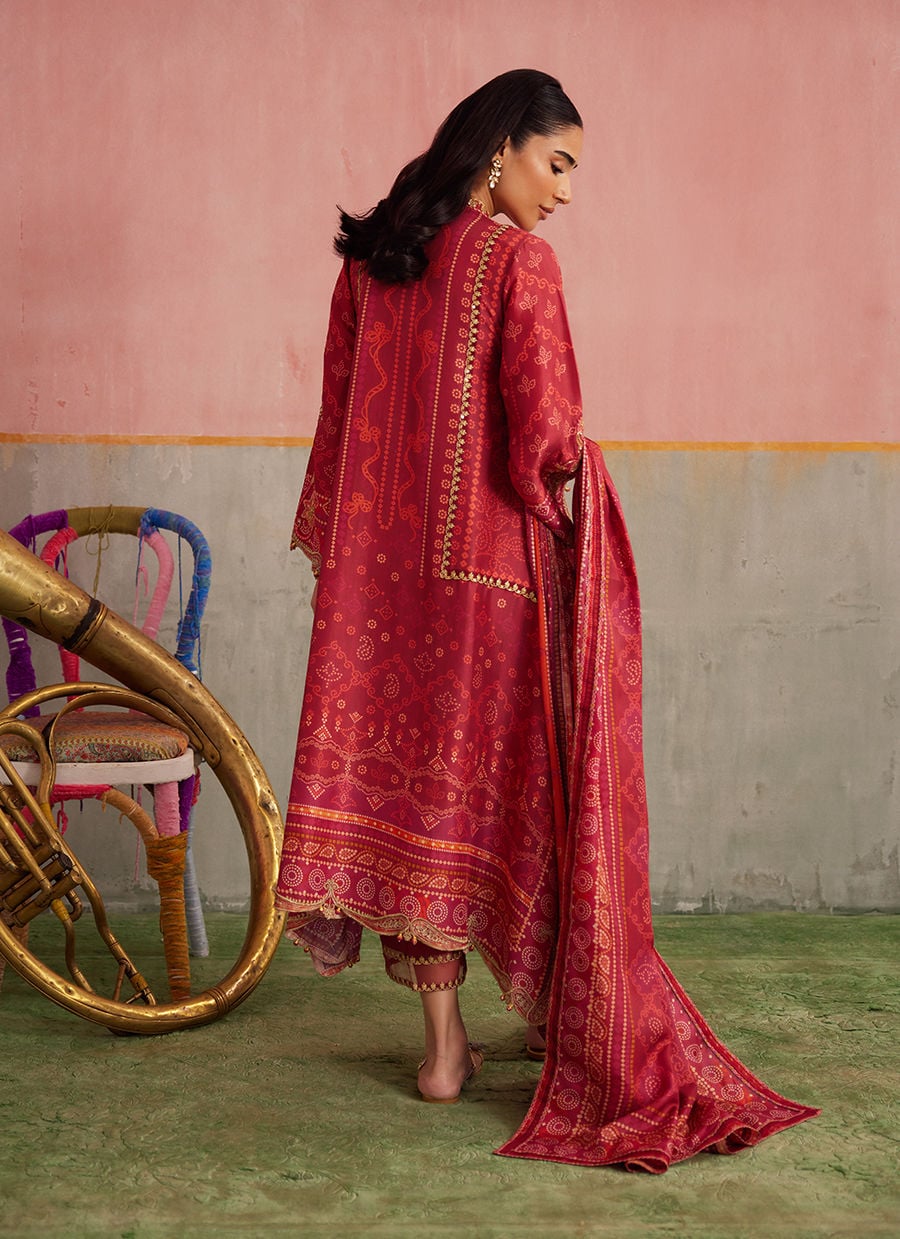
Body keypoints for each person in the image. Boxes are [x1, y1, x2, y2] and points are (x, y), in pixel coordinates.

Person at [275, 69, 818, 1169]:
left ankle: (441, 1052)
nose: (563, 192)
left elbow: (336, 439)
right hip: (493, 585)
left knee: (416, 806)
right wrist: (582, 473)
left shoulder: (369, 271)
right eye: (556, 162)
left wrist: (355, 575)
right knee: (528, 798)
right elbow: (547, 439)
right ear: (499, 150)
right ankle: (560, 1023)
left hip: (375, 591)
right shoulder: (519, 264)